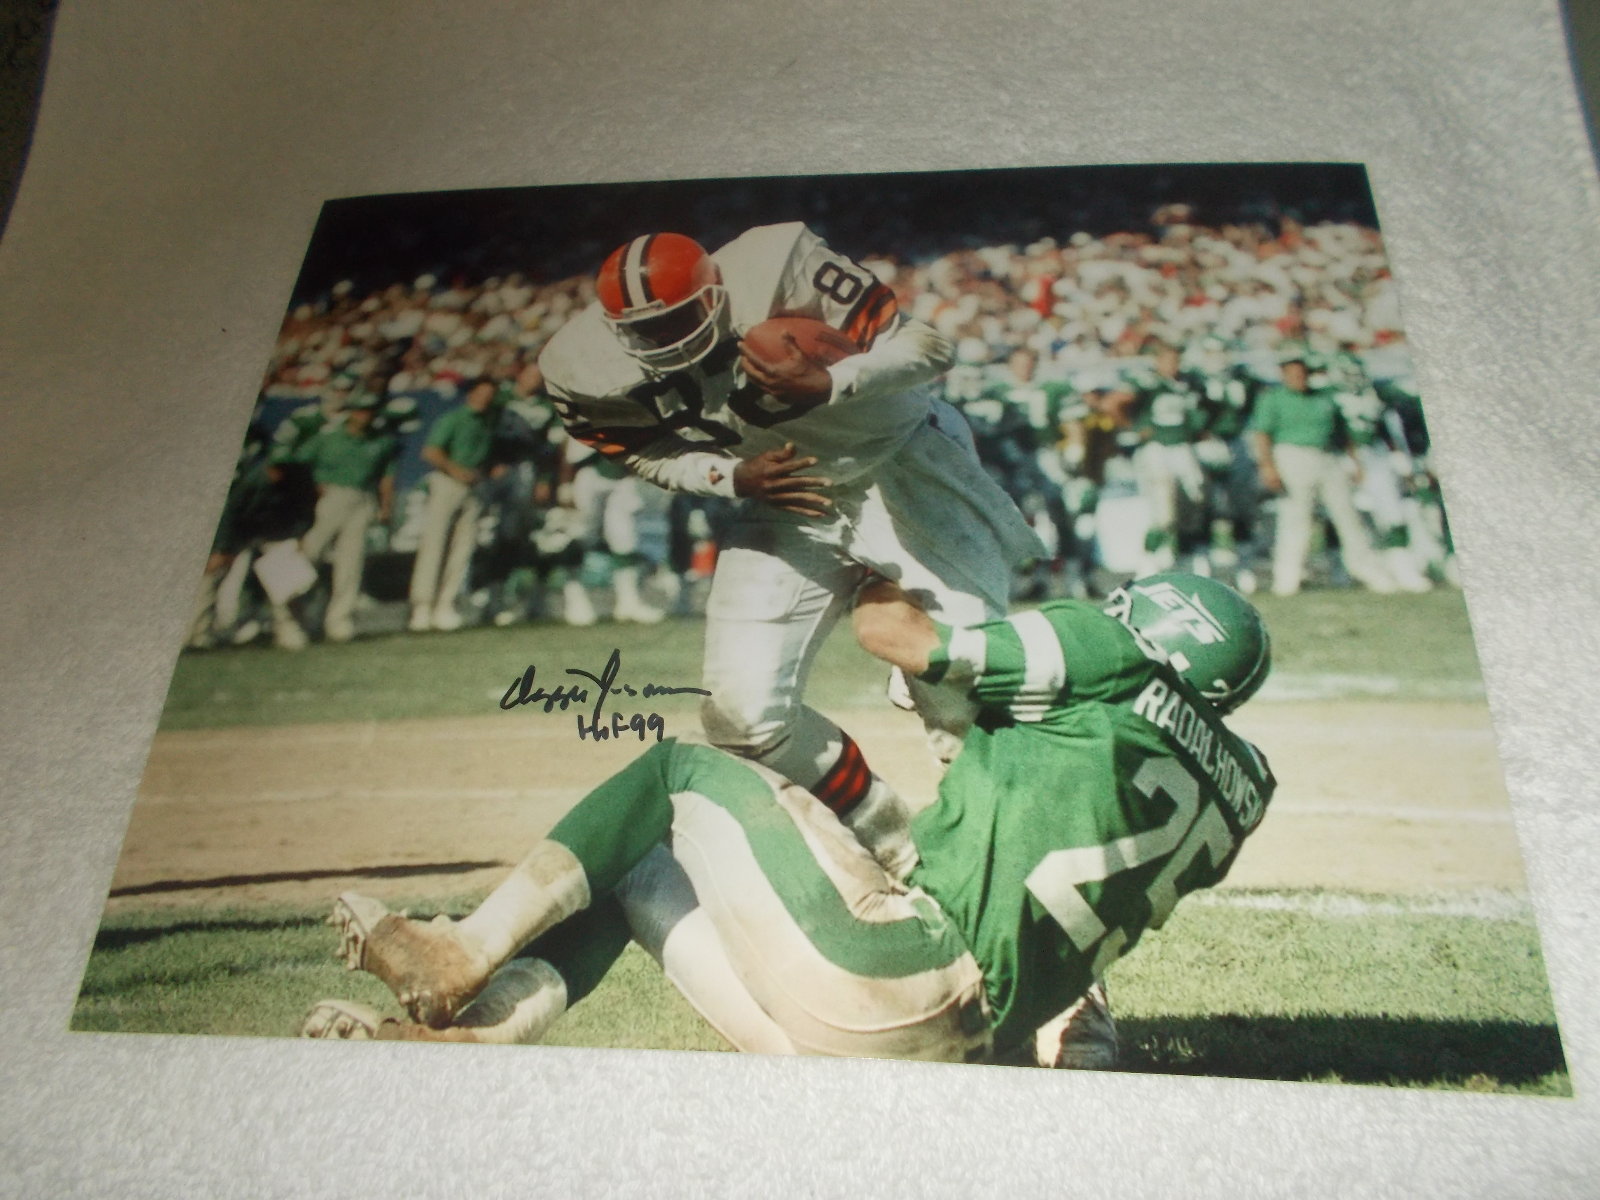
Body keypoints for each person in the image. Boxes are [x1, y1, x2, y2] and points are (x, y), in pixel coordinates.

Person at [302, 572, 1275, 1068]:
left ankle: (460, 952)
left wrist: (870, 562)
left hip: (902, 973)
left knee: (674, 775)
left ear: (1157, 634)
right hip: (950, 1054)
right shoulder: (1240, 787)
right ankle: (469, 1045)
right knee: (638, 861)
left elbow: (893, 635)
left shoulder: (1114, 656)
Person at [536, 225, 1042, 875]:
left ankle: (1013, 887)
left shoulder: (777, 266)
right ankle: (893, 844)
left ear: (716, 293)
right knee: (744, 716)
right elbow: (641, 450)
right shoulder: (579, 367)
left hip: (904, 463)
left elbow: (930, 345)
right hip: (790, 491)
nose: (666, 342)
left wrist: (832, 384)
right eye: (646, 332)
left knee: (966, 697)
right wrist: (726, 477)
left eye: (681, 319)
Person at [1249, 350, 1396, 598]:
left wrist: (1354, 462)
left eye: (1301, 371)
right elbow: (1262, 434)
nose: (1298, 376)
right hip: (1292, 455)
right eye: (1292, 372)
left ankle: (1365, 568)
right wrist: (1268, 466)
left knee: (1348, 515)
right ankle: (1288, 577)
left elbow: (1343, 433)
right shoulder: (1273, 399)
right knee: (1296, 518)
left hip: (1327, 456)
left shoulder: (1324, 399)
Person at [288, 393, 398, 643]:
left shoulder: (381, 442)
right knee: (309, 555)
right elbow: (299, 465)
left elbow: (386, 477)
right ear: (350, 412)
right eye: (360, 410)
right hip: (333, 497)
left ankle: (340, 621)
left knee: (351, 562)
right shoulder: (329, 439)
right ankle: (289, 615)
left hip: (363, 499)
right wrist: (314, 489)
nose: (364, 416)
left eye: (369, 411)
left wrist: (386, 506)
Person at [407, 377, 506, 632]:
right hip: (447, 484)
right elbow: (431, 451)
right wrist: (456, 470)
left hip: (474, 486)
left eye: (489, 394)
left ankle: (446, 604)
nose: (485, 398)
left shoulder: (489, 422)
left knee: (463, 548)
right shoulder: (453, 419)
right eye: (481, 392)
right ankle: (422, 606)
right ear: (470, 394)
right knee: (435, 544)